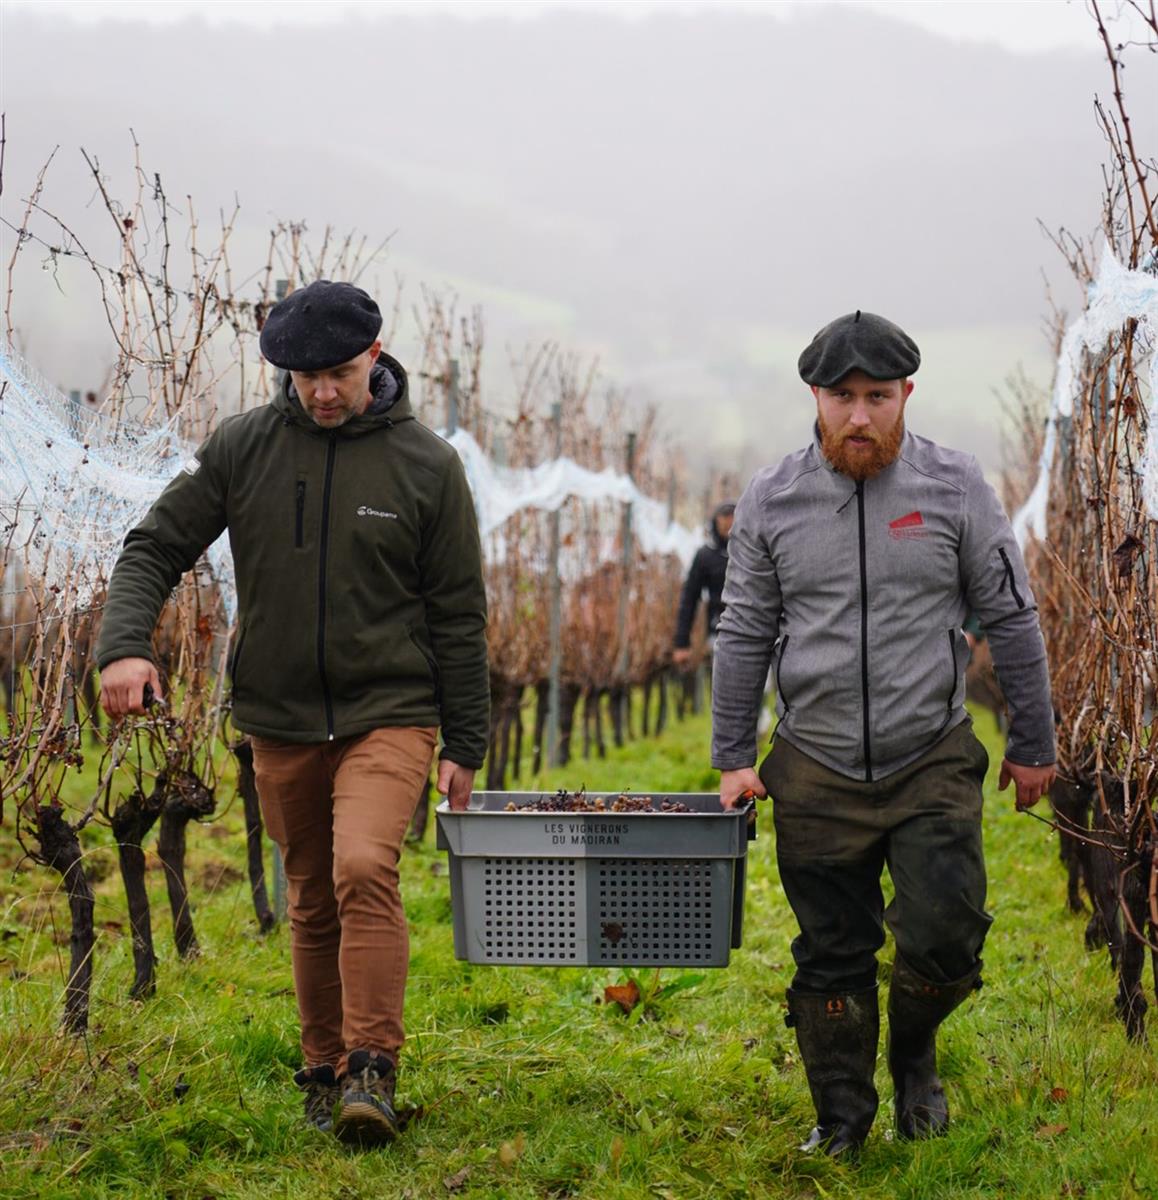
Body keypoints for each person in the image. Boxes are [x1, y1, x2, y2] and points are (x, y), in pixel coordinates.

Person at [96, 280, 489, 1147]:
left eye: (339, 373)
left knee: (361, 869)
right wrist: (124, 644)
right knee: (309, 893)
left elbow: (460, 612)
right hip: (278, 714)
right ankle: (322, 1069)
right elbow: (156, 545)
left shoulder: (427, 465)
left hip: (391, 708)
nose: (321, 391)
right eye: (304, 375)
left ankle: (373, 1069)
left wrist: (467, 738)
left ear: (374, 360)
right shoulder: (243, 448)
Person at [711, 311, 1056, 1155]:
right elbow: (744, 627)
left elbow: (1010, 614)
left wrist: (1033, 741)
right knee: (832, 950)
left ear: (907, 394)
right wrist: (730, 757)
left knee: (947, 931)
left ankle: (914, 1054)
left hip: (930, 751)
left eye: (877, 396)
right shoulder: (773, 499)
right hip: (815, 761)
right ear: (816, 399)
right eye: (841, 398)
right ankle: (841, 1118)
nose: (859, 416)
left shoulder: (956, 486)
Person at [672, 501, 735, 668]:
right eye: (724, 517)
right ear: (716, 522)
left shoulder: (754, 553)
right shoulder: (705, 556)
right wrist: (681, 642)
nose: (729, 522)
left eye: (732, 517)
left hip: (757, 629)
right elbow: (689, 599)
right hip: (719, 629)